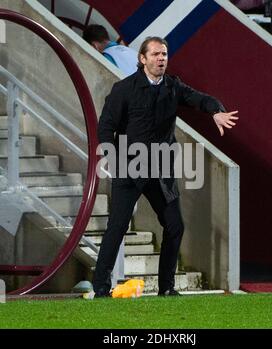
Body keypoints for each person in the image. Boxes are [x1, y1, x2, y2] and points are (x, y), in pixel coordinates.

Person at [93, 36, 239, 297]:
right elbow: (106, 127)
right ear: (143, 59)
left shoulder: (173, 86)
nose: (161, 59)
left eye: (164, 54)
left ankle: (167, 288)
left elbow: (199, 99)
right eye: (156, 55)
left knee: (175, 226)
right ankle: (101, 288)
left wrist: (216, 110)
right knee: (117, 227)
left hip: (160, 171)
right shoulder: (123, 89)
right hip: (130, 168)